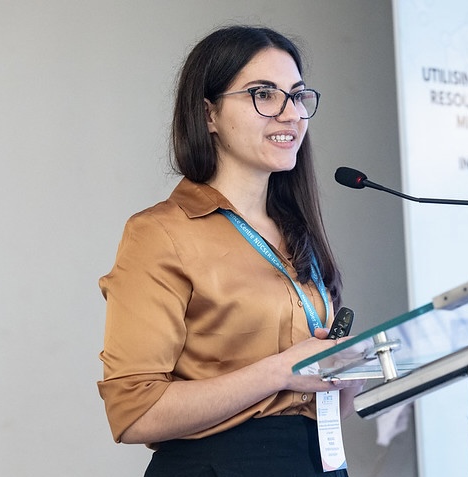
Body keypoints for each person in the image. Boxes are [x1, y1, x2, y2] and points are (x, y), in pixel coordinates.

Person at [97, 25, 361, 476]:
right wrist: (279, 371)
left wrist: (344, 370)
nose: (290, 114)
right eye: (264, 94)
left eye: (297, 96)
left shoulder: (298, 233)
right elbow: (134, 411)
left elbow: (317, 396)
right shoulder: (160, 233)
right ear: (208, 115)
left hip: (317, 461)